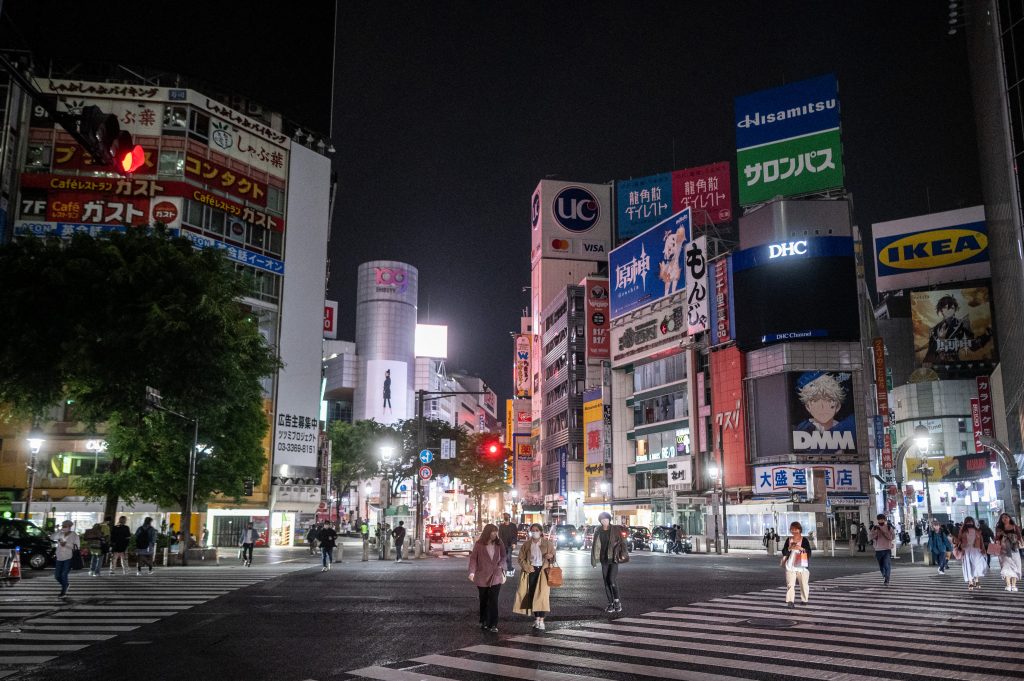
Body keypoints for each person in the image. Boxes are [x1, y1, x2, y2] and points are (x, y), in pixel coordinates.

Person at [513, 522, 555, 631]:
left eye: (537, 530)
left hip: (543, 571)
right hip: (531, 571)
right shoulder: (527, 544)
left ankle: (541, 620)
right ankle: (536, 618)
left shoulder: (548, 543)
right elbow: (520, 558)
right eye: (533, 530)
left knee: (542, 596)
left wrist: (551, 556)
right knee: (533, 594)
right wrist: (527, 567)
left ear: (541, 532)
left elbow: (554, 557)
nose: (534, 532)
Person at [468, 523, 505, 633]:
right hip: (482, 576)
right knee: (484, 600)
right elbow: (474, 558)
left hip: (496, 575)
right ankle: (483, 620)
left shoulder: (499, 543)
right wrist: (472, 572)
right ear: (487, 532)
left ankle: (493, 624)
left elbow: (504, 556)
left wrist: (501, 566)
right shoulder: (479, 544)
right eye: (493, 531)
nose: (495, 534)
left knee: (493, 600)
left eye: (496, 531)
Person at [590, 511, 628, 613]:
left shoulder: (615, 529)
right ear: (600, 521)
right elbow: (595, 546)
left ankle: (617, 601)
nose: (604, 521)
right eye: (602, 520)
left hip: (614, 558)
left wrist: (621, 550)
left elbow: (623, 540)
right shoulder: (598, 530)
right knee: (606, 582)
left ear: (609, 520)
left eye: (606, 519)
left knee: (611, 580)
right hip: (604, 559)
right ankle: (610, 603)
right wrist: (594, 561)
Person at [780, 521, 811, 608]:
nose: (794, 531)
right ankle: (790, 601)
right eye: (792, 529)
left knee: (804, 585)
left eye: (796, 529)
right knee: (790, 585)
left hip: (802, 566)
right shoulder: (789, 540)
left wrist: (800, 548)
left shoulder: (804, 540)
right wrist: (789, 548)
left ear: (800, 530)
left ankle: (804, 599)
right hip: (790, 566)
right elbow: (784, 552)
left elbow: (809, 553)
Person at [954, 516, 987, 590]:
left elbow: (981, 541)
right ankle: (970, 582)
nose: (969, 523)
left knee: (977, 566)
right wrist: (960, 545)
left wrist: (983, 549)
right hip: (966, 550)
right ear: (965, 522)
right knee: (968, 566)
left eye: (971, 521)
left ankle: (977, 580)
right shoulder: (962, 531)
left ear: (973, 522)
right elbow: (958, 541)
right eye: (968, 521)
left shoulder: (977, 531)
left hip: (976, 550)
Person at [995, 513, 1022, 591]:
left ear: (1009, 518)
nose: (1004, 519)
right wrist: (998, 536)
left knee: (1016, 566)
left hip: (1014, 549)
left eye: (1006, 517)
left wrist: (1021, 542)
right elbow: (996, 538)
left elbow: (1019, 536)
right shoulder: (999, 528)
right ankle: (1008, 585)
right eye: (1002, 518)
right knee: (1005, 567)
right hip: (1004, 550)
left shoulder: (1015, 527)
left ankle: (1014, 585)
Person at [52, 520, 79, 598]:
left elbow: (77, 547)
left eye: (65, 526)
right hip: (59, 557)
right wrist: (58, 530)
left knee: (64, 575)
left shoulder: (74, 535)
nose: (63, 527)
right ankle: (66, 585)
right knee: (57, 576)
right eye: (62, 526)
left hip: (68, 557)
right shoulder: (60, 533)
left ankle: (63, 591)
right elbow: (52, 537)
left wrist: (66, 544)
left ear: (69, 527)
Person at [869, 514, 895, 585]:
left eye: (882, 519)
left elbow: (891, 537)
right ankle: (884, 574)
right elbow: (872, 537)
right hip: (878, 549)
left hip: (887, 548)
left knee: (887, 564)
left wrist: (882, 531)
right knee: (881, 565)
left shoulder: (889, 527)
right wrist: (875, 532)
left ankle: (887, 579)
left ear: (884, 520)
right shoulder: (874, 528)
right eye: (879, 519)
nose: (881, 520)